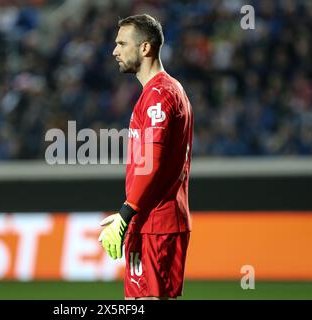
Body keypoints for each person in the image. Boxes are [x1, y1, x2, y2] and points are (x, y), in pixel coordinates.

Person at [98, 14, 194, 300]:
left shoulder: (159, 95)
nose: (115, 51)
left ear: (145, 48)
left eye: (121, 43)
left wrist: (126, 214)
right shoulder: (163, 92)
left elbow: (150, 162)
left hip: (157, 224)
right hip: (152, 221)